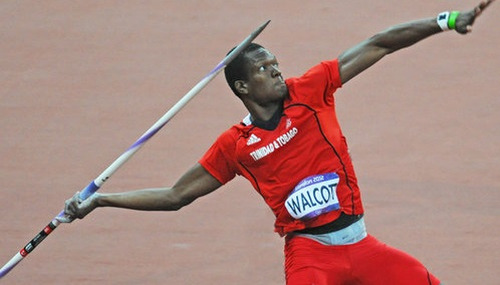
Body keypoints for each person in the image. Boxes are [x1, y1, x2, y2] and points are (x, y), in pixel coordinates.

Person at [59, 1, 494, 284]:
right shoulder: (236, 145)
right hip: (310, 256)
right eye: (266, 69)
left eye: (276, 63)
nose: (277, 71)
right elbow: (176, 196)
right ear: (243, 87)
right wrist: (102, 201)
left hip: (361, 245)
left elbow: (379, 44)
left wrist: (446, 21)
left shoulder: (311, 90)